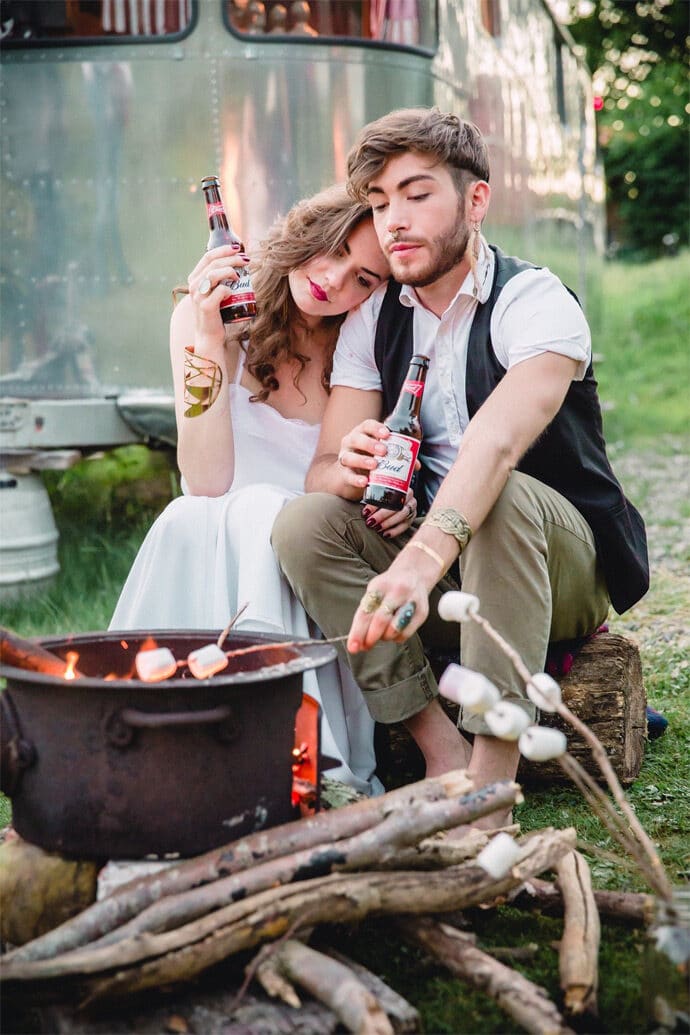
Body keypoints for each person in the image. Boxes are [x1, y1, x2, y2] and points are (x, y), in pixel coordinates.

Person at [272, 107, 649, 827]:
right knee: (304, 522)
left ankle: (492, 781)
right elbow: (321, 469)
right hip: (438, 572)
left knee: (498, 496)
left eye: (417, 194)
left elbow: (497, 444)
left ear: (476, 200)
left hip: (553, 561)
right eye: (379, 204)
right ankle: (439, 750)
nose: (394, 222)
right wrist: (345, 469)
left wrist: (421, 554)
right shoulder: (374, 318)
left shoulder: (534, 302)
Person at [110, 183, 398, 796]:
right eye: (335, 249)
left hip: (303, 553)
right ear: (307, 234)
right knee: (188, 515)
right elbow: (206, 480)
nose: (335, 279)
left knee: (264, 511)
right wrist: (210, 343)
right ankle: (166, 737)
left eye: (364, 279)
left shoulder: (356, 349)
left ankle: (292, 756)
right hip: (217, 541)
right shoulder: (206, 314)